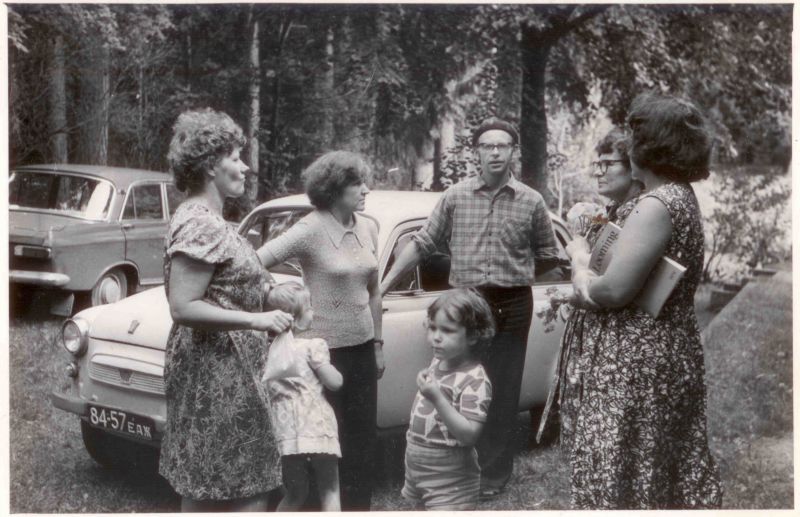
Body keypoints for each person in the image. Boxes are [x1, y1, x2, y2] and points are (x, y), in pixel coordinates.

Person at [381, 117, 561, 498]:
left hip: (513, 301)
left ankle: (492, 475)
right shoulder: (456, 195)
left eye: (503, 146)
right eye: (487, 146)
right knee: (456, 381)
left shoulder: (531, 200)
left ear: (514, 151)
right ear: (476, 152)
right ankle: (454, 466)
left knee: (503, 387)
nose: (495, 152)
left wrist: (516, 272)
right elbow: (423, 242)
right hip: (467, 303)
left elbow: (549, 256)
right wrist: (384, 285)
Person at [565, 93, 722, 509]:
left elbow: (614, 290)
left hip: (636, 362)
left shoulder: (655, 204)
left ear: (649, 145)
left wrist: (581, 271)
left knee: (623, 474)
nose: (628, 145)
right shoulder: (681, 196)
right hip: (668, 349)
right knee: (656, 472)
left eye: (634, 136)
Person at [160, 108, 294, 512]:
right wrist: (256, 319)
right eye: (235, 157)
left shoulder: (212, 220)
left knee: (211, 480)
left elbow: (223, 288)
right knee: (241, 486)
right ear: (208, 166)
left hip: (227, 371)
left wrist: (271, 294)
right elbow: (183, 306)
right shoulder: (202, 223)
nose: (246, 167)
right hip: (216, 374)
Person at [258, 151, 383, 510]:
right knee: (322, 443)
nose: (365, 189)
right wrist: (276, 295)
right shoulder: (311, 228)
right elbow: (254, 261)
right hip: (320, 355)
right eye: (356, 183)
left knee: (362, 439)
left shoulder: (368, 226)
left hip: (361, 347)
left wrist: (378, 343)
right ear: (332, 190)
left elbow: (374, 291)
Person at [536, 127, 644, 448]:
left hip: (619, 345)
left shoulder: (633, 218)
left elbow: (598, 287)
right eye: (596, 164)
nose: (598, 172)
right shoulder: (612, 214)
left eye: (607, 164)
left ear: (634, 166)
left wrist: (577, 249)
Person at [402, 289, 495, 511]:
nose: (436, 336)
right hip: (416, 465)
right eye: (432, 327)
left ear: (473, 336)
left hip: (450, 478)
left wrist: (436, 397)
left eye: (447, 330)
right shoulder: (438, 361)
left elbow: (469, 434)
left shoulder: (475, 379)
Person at [262, 282, 343, 512]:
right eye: (309, 308)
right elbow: (334, 383)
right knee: (330, 489)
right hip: (316, 425)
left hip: (285, 429)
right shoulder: (313, 346)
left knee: (296, 493)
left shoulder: (271, 352)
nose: (313, 312)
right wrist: (332, 371)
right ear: (295, 319)